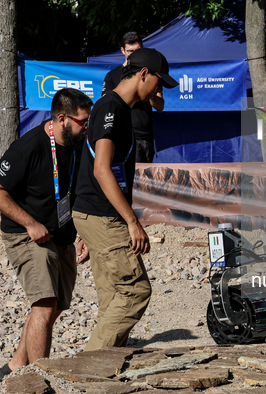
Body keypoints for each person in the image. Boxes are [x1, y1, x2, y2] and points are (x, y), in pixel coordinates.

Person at [72, 48, 178, 351]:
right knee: (135, 292)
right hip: (103, 215)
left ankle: (105, 367)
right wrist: (132, 222)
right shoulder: (112, 109)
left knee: (113, 298)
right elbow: (102, 170)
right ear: (143, 74)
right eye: (158, 82)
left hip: (95, 214)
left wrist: (89, 227)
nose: (159, 90)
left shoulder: (117, 108)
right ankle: (88, 371)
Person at [0, 88, 93, 378]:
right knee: (44, 305)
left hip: (60, 234)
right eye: (83, 121)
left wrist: (84, 232)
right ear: (62, 118)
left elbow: (76, 192)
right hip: (26, 234)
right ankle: (38, 380)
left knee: (56, 306)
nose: (87, 127)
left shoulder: (77, 143)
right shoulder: (29, 147)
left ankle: (17, 365)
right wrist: (30, 223)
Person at [102, 32, 165, 163]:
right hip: (125, 136)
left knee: (146, 182)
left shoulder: (151, 74)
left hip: (146, 137)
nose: (134, 54)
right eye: (130, 51)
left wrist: (149, 92)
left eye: (138, 51)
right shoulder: (112, 76)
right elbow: (107, 104)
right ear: (122, 50)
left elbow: (160, 107)